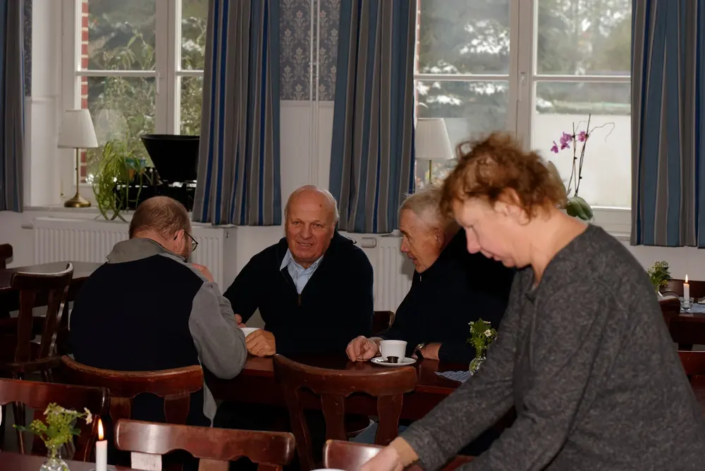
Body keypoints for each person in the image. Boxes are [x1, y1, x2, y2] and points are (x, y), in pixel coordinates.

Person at [362, 133, 705, 471]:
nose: (471, 247)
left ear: (512, 207)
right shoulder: (535, 270)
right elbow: (495, 379)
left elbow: (542, 430)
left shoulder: (581, 277)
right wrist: (402, 451)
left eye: (475, 229)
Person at [70, 196, 247, 429]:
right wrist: (214, 292)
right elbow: (229, 364)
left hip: (101, 437)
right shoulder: (192, 285)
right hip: (176, 441)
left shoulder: (88, 287)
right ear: (179, 237)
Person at [346, 186, 513, 365]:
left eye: (408, 236)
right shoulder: (427, 268)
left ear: (437, 237)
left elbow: (501, 347)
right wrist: (376, 344)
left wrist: (443, 350)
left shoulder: (489, 269)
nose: (403, 247)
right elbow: (405, 329)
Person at [223, 185, 373, 356]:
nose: (305, 234)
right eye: (297, 223)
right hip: (276, 374)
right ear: (286, 223)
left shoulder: (353, 263)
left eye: (317, 225)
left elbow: (356, 335)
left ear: (332, 228)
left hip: (333, 374)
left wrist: (281, 342)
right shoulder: (265, 262)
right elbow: (229, 309)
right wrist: (229, 324)